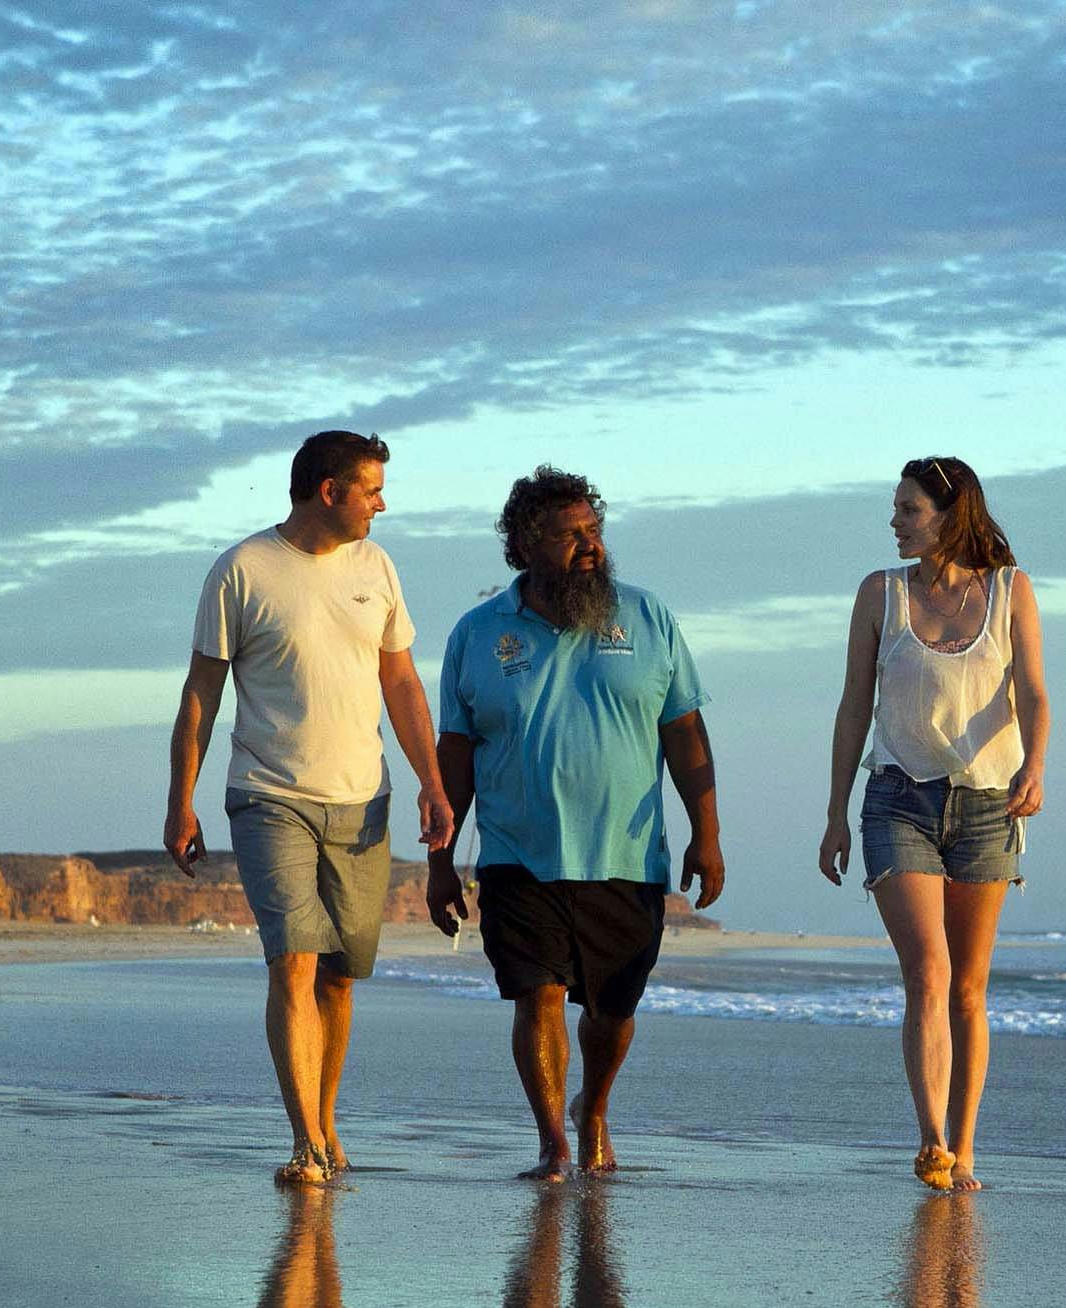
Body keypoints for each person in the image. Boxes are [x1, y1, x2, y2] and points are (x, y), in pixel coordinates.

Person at [165, 430, 452, 1185]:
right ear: (330, 491)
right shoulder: (242, 569)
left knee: (338, 975)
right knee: (292, 959)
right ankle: (305, 1145)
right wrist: (180, 800)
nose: (382, 504)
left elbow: (403, 684)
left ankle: (325, 1122)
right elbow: (202, 692)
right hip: (269, 795)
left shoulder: (376, 566)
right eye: (372, 490)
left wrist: (432, 780)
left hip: (363, 799)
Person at [426, 465, 724, 1180]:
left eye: (595, 530)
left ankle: (593, 1108)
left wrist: (706, 835)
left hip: (626, 855)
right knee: (539, 994)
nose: (590, 546)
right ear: (525, 545)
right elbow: (454, 757)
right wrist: (440, 862)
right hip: (517, 855)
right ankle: (554, 1140)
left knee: (613, 1012)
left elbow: (685, 733)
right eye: (570, 535)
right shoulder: (478, 634)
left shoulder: (647, 618)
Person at [818, 456, 1049, 1193]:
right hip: (897, 800)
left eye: (909, 510)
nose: (895, 521)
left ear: (951, 515)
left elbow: (1035, 692)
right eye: (896, 508)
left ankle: (967, 1147)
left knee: (969, 989)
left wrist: (1034, 765)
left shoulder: (1011, 591)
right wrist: (833, 814)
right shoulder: (879, 595)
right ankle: (930, 1143)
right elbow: (855, 705)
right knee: (929, 972)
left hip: (989, 804)